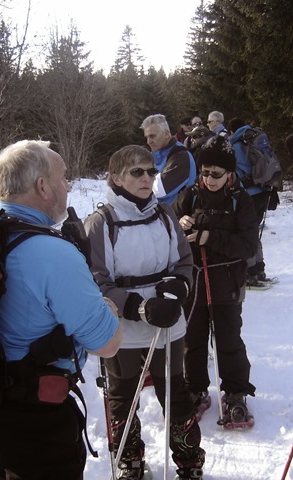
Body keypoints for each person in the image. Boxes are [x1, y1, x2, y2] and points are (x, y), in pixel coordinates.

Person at [0, 140, 123, 480]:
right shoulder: (53, 254)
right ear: (43, 186)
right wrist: (109, 307)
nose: (67, 187)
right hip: (34, 418)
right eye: (64, 179)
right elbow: (106, 344)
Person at [85, 145, 206, 480]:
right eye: (136, 171)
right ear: (115, 177)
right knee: (123, 396)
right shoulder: (101, 222)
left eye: (151, 171)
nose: (146, 178)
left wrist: (177, 289)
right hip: (123, 326)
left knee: (176, 393)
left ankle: (189, 461)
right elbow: (97, 280)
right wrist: (138, 306)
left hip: (167, 320)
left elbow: (183, 261)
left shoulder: (165, 214)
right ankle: (130, 460)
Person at [172, 135, 258, 426]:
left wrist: (210, 237)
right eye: (205, 172)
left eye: (216, 174)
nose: (209, 179)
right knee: (192, 339)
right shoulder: (189, 196)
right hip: (194, 280)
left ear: (230, 174)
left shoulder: (240, 201)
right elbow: (169, 232)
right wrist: (179, 223)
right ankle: (196, 389)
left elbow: (248, 246)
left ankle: (235, 391)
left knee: (228, 338)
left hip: (227, 279)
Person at [229, 117, 275, 287]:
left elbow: (236, 169)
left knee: (245, 231)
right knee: (254, 230)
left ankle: (250, 272)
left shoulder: (236, 144)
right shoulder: (257, 137)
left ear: (231, 131)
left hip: (248, 194)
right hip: (263, 191)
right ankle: (259, 269)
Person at [141, 114, 197, 205]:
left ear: (166, 134)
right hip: (158, 213)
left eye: (152, 136)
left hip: (176, 216)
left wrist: (134, 184)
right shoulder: (156, 153)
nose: (148, 142)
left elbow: (160, 189)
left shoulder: (180, 156)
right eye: (147, 137)